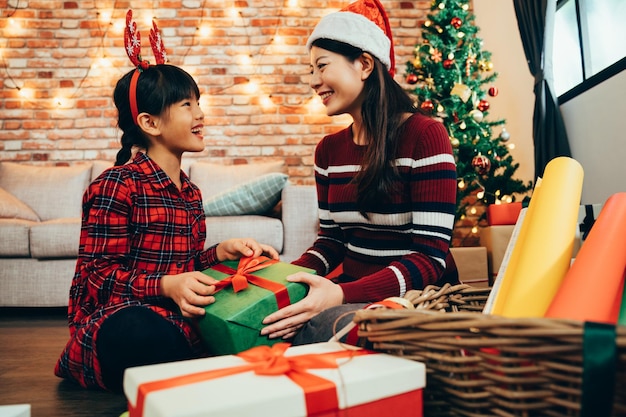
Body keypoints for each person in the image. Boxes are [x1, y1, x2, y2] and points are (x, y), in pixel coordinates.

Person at [54, 12, 278, 392]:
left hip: (175, 319)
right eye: (186, 105)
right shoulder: (117, 185)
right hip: (120, 319)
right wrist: (165, 287)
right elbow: (97, 278)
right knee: (138, 332)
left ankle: (187, 368)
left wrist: (220, 251)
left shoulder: (190, 193)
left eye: (198, 103)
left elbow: (183, 266)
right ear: (150, 123)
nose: (200, 114)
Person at [261, 0, 459, 344]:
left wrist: (341, 295)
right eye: (311, 70)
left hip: (415, 299)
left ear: (365, 64)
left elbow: (430, 258)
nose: (313, 81)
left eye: (321, 66)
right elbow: (332, 240)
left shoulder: (425, 136)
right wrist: (285, 278)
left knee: (321, 329)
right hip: (352, 293)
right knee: (275, 323)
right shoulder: (328, 150)